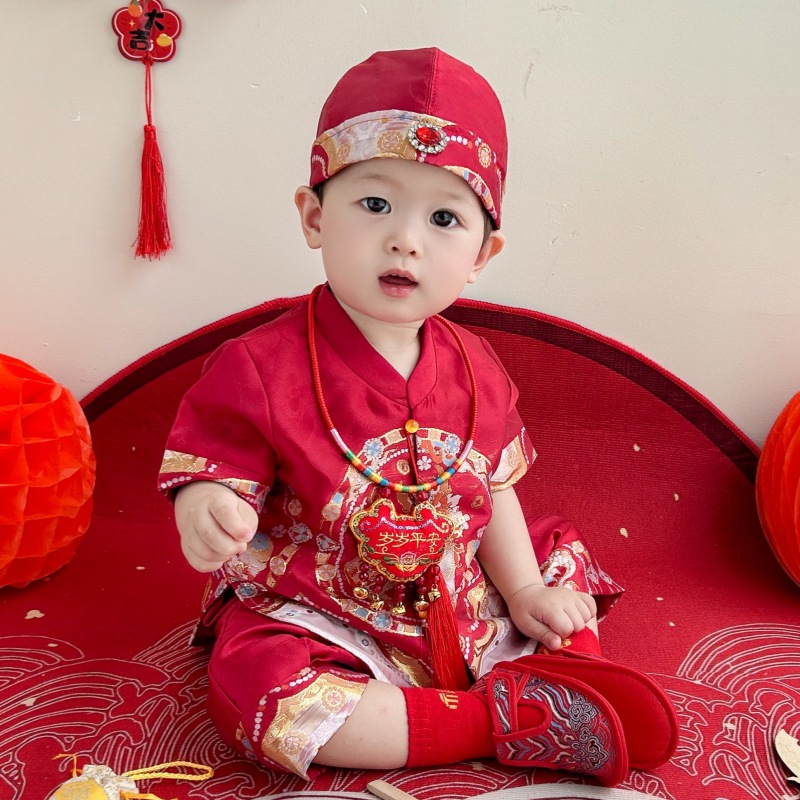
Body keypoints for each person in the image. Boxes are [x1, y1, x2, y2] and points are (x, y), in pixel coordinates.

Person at [159, 47, 678, 786]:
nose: (406, 239)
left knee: (555, 569)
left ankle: (567, 678)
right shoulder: (258, 365)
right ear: (313, 216)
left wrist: (523, 593)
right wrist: (208, 506)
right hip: (326, 606)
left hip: (457, 586)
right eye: (375, 205)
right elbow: (214, 464)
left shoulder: (477, 365)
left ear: (482, 254)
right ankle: (503, 719)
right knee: (260, 687)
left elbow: (494, 490)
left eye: (443, 218)